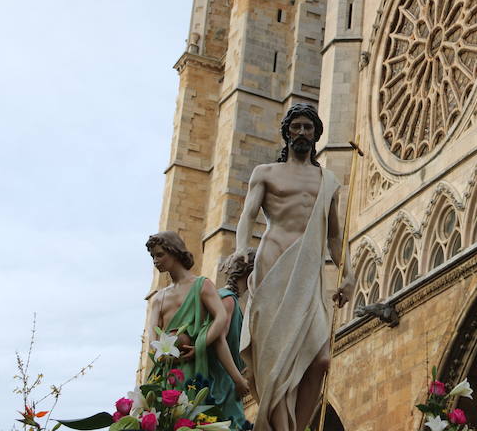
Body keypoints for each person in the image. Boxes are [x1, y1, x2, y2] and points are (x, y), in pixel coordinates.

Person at [231, 103, 355, 431]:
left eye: (308, 128)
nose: (302, 132)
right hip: (273, 264)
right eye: (297, 126)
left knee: (322, 359)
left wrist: (349, 275)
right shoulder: (266, 173)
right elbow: (247, 216)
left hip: (308, 273)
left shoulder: (327, 180)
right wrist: (242, 249)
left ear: (316, 135)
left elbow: (334, 235)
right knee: (275, 363)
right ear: (287, 132)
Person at [145, 232, 251, 405]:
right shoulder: (158, 298)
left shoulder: (202, 285)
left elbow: (221, 319)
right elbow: (153, 338)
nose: (155, 260)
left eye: (159, 254)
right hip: (166, 371)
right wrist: (162, 357)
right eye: (152, 256)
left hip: (195, 368)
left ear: (174, 252)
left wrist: (199, 344)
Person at [210, 247, 257, 430]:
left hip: (226, 381)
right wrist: (238, 379)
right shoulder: (228, 299)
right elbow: (218, 340)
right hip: (223, 383)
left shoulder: (229, 299)